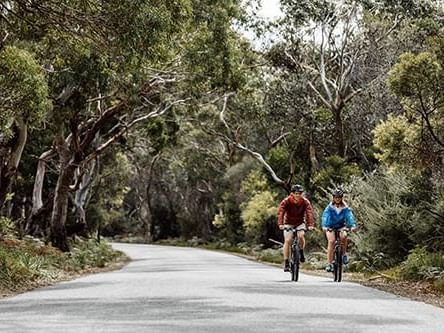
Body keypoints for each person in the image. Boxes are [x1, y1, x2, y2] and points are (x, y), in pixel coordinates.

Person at [277, 184, 315, 272]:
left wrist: (310, 225)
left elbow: (309, 213)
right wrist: (280, 224)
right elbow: (281, 212)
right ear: (292, 194)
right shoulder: (286, 201)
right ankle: (286, 262)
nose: (298, 195)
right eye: (296, 193)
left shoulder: (305, 201)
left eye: (300, 193)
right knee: (288, 240)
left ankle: (301, 252)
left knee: (301, 236)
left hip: (300, 222)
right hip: (288, 223)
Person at [321, 188, 357, 272]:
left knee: (344, 236)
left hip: (341, 226)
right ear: (333, 198)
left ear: (341, 198)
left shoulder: (345, 208)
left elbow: (350, 217)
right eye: (336, 197)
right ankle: (329, 264)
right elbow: (325, 216)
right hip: (330, 226)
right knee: (331, 241)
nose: (337, 199)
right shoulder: (329, 207)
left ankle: (344, 254)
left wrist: (352, 226)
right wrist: (324, 226)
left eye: (339, 197)